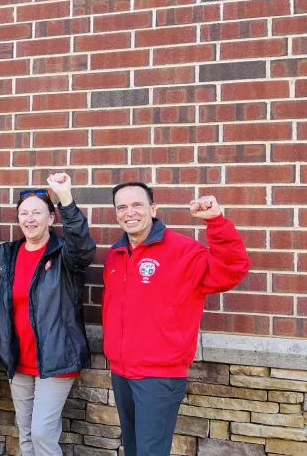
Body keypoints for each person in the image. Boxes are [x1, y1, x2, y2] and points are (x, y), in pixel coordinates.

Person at [104, 182, 251, 456]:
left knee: (151, 452)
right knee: (133, 449)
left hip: (159, 375)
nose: (129, 212)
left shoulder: (184, 251)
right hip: (121, 372)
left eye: (137, 204)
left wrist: (216, 223)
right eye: (122, 207)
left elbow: (232, 270)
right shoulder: (116, 254)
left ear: (153, 208)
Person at [0, 174, 96, 456]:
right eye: (24, 213)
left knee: (42, 434)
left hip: (56, 359)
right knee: (26, 435)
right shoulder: (8, 255)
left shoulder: (65, 254)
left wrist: (65, 198)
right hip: (19, 359)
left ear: (51, 218)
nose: (30, 219)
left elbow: (84, 248)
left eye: (37, 212)